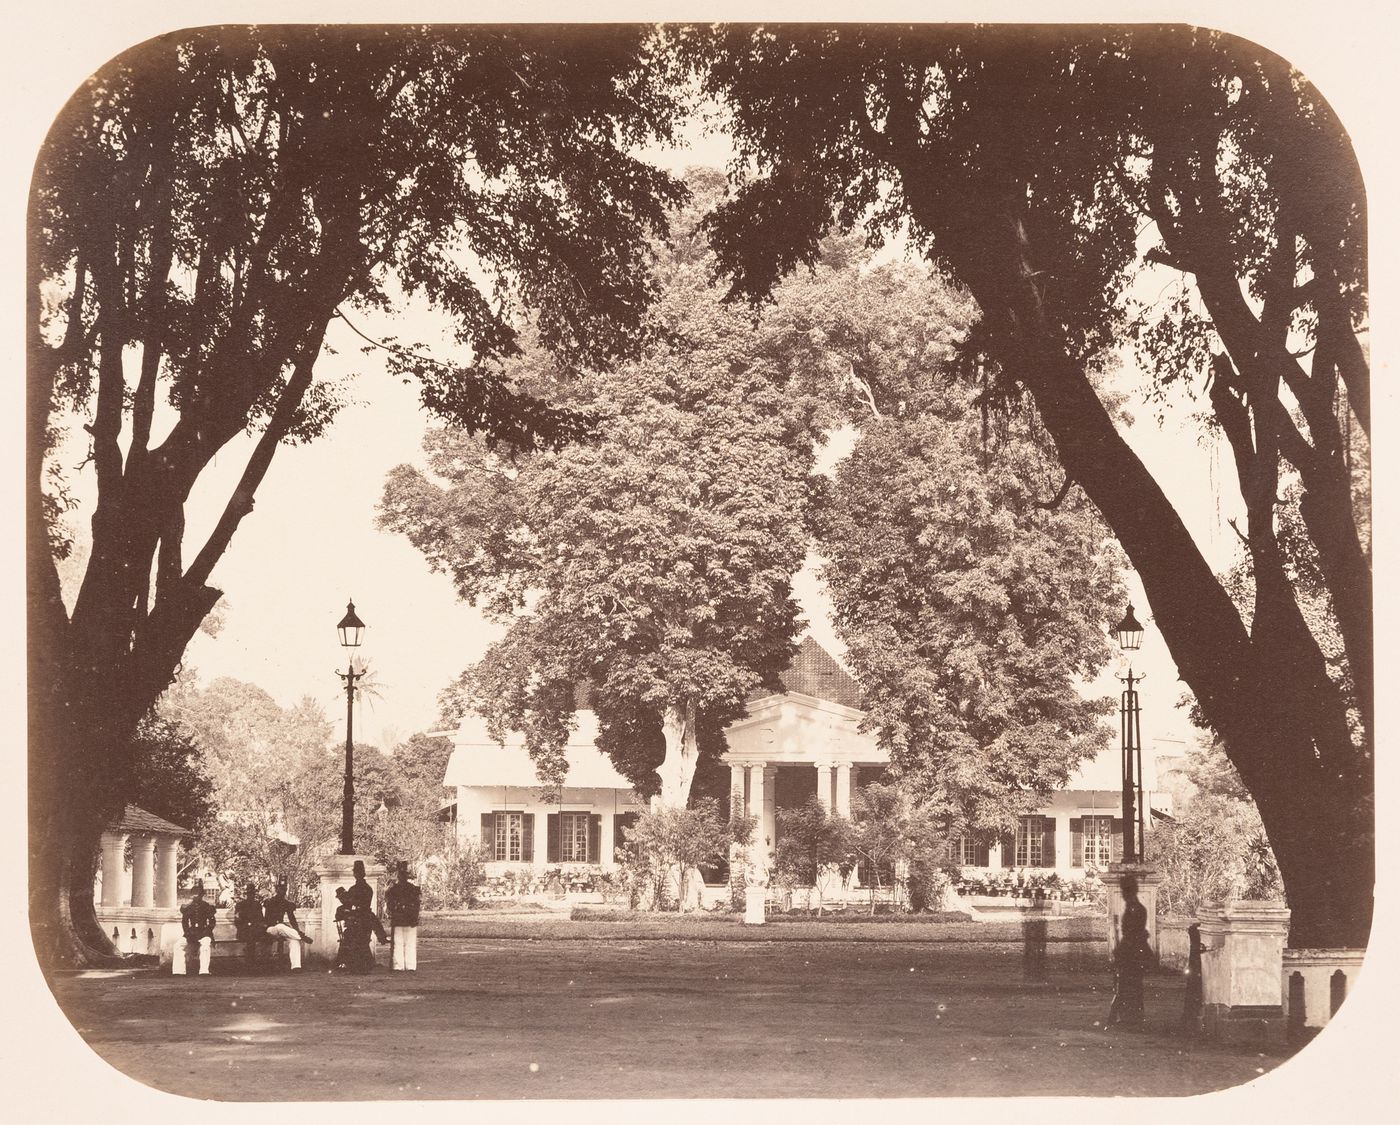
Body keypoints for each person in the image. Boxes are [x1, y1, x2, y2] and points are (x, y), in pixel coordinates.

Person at [1107, 874, 1152, 1028]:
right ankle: (1131, 1018)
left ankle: (1131, 1019)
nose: (1123, 894)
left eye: (1125, 891)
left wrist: (1120, 951)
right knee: (1130, 986)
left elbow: (1133, 934)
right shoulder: (1134, 908)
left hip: (1132, 953)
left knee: (1129, 986)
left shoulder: (1136, 909)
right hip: (1132, 952)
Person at [263, 877, 310, 970]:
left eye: (284, 889)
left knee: (294, 940)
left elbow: (292, 919)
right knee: (280, 926)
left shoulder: (286, 903)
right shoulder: (269, 902)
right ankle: (301, 936)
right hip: (270, 929)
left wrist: (297, 929)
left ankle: (296, 966)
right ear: (277, 889)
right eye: (281, 889)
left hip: (282, 930)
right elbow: (265, 919)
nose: (283, 891)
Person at [172, 881, 217, 976]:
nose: (195, 897)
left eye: (198, 895)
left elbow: (212, 922)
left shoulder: (207, 907)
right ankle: (179, 971)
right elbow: (184, 922)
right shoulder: (188, 908)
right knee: (178, 946)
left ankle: (204, 971)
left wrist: (207, 931)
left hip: (204, 932)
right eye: (194, 895)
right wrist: (187, 933)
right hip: (191, 933)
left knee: (205, 945)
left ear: (201, 896)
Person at [384, 860, 422, 972]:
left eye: (403, 874)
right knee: (401, 943)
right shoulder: (406, 889)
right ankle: (404, 965)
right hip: (403, 918)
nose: (402, 877)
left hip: (404, 918)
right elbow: (390, 904)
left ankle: (403, 965)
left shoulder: (400, 889)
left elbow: (416, 904)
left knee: (403, 943)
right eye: (401, 874)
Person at [346, 859, 389, 944]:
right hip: (366, 917)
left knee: (356, 944)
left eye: (356, 872)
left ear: (355, 874)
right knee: (364, 943)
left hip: (356, 918)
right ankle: (381, 938)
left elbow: (349, 904)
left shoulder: (353, 889)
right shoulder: (368, 888)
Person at [232, 883, 264, 966]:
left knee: (254, 934)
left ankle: (251, 959)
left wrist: (256, 925)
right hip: (244, 931)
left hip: (255, 930)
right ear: (246, 894)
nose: (251, 896)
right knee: (250, 935)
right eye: (249, 894)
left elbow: (261, 919)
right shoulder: (240, 905)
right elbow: (237, 920)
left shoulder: (257, 905)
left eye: (252, 894)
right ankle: (250, 959)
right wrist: (245, 926)